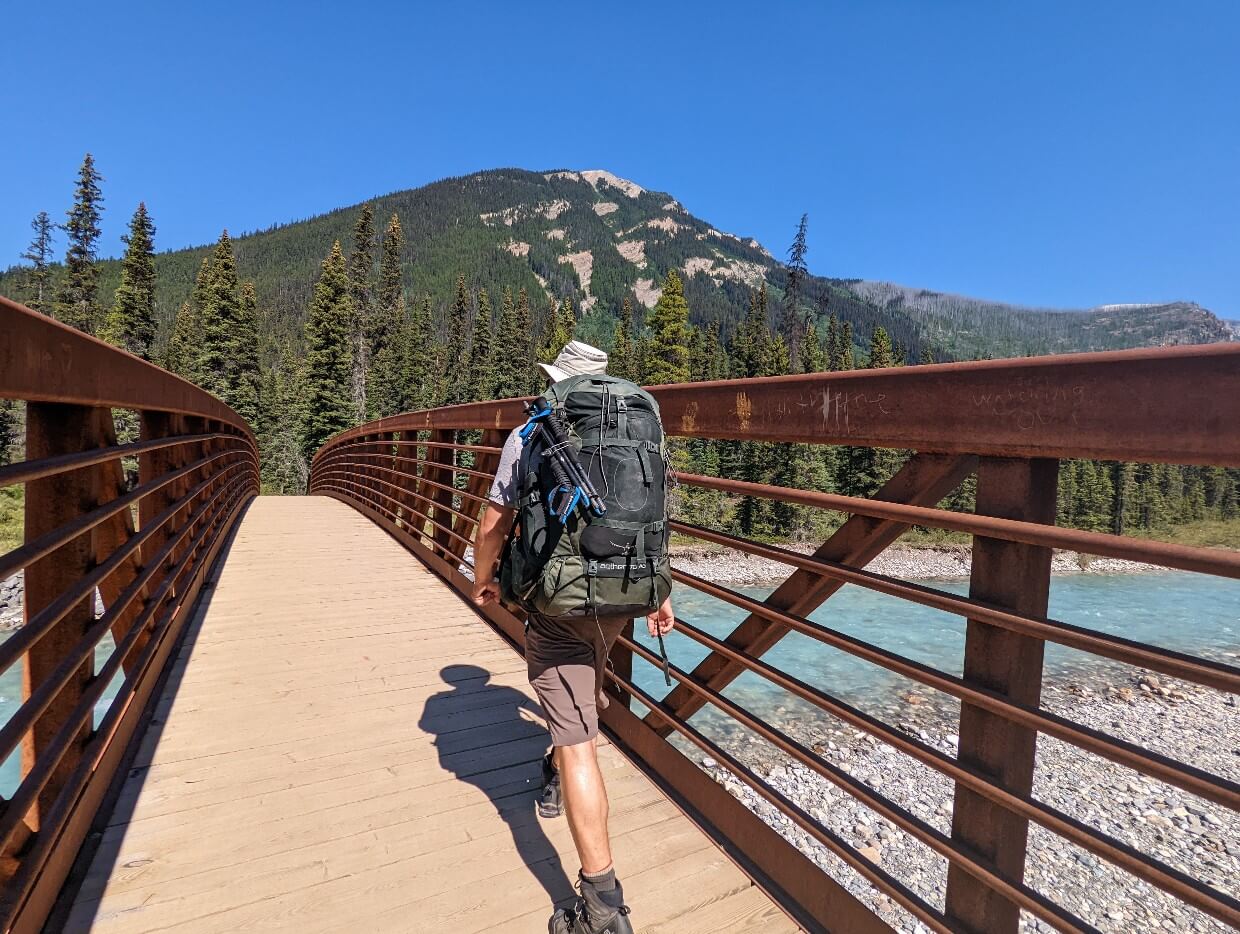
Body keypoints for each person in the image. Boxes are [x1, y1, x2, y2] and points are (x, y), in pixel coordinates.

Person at [472, 340, 675, 934]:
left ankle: (603, 907)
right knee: (584, 682)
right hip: (626, 589)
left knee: (577, 736)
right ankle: (559, 764)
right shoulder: (639, 428)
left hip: (559, 598)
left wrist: (483, 580)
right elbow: (653, 513)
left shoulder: (534, 430)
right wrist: (662, 591)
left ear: (559, 381)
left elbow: (493, 524)